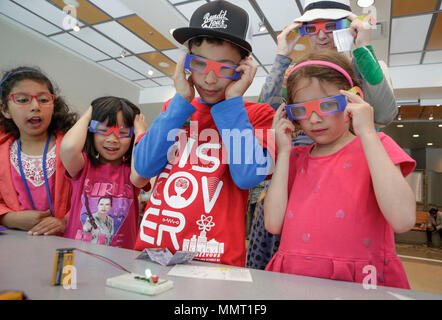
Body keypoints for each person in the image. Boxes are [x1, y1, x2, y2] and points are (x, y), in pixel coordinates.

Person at [247, 0, 398, 269]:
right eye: (311, 28)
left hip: (351, 173)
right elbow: (265, 114)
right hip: (295, 171)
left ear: (349, 26)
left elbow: (385, 113)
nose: (320, 34)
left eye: (331, 26)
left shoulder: (364, 66)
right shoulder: (293, 74)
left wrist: (362, 48)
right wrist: (282, 55)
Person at [132, 0, 275, 267]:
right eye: (200, 64)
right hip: (153, 252)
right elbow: (143, 167)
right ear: (186, 62)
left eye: (224, 67)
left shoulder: (258, 115)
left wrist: (233, 103)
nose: (209, 79)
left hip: (215, 259)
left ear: (244, 67)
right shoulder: (175, 109)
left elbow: (247, 177)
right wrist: (180, 102)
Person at [264, 50, 416, 289]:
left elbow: (403, 220)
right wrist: (282, 152)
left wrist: (367, 132)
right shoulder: (293, 158)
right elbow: (273, 224)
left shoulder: (377, 146)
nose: (313, 118)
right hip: (295, 279)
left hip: (360, 281)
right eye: (301, 110)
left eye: (327, 105)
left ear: (353, 100)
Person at [61, 97, 151, 249]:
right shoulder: (83, 166)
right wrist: (90, 112)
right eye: (102, 130)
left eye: (123, 133)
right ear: (91, 132)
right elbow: (69, 147)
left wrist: (141, 132)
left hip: (120, 260)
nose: (112, 139)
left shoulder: (131, 171)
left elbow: (142, 174)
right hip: (77, 256)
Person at [0, 67, 77, 236]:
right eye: (22, 99)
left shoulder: (74, 148)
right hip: (15, 248)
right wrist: (9, 218)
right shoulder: (2, 153)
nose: (35, 106)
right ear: (5, 109)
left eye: (43, 99)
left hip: (68, 246)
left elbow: (93, 194)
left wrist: (65, 221)